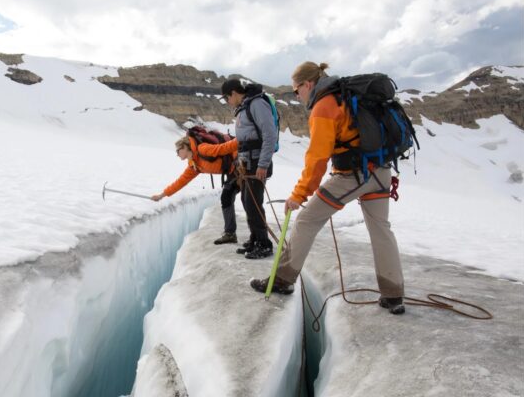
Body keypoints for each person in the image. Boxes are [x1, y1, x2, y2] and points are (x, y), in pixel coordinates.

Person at [249, 62, 406, 315]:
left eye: (296, 90)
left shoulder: (324, 106)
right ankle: (393, 295)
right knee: (381, 229)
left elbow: (317, 159)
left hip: (354, 175)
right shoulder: (344, 97)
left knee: (306, 221)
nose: (296, 95)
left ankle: (282, 280)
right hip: (382, 172)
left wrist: (298, 195)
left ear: (307, 84)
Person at [221, 79, 279, 259]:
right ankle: (255, 239)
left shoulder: (257, 104)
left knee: (253, 204)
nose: (227, 102)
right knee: (248, 202)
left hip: (257, 164)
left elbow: (269, 134)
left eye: (226, 98)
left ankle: (264, 244)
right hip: (247, 164)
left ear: (233, 93)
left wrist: (262, 164)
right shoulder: (244, 107)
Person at [151, 135, 241, 245]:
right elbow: (180, 182)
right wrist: (162, 195)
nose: (177, 154)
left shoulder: (202, 149)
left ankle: (256, 238)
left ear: (184, 147)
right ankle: (230, 234)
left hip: (242, 165)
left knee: (247, 200)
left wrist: (242, 139)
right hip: (234, 173)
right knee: (226, 198)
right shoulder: (194, 165)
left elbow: (223, 148)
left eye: (177, 151)